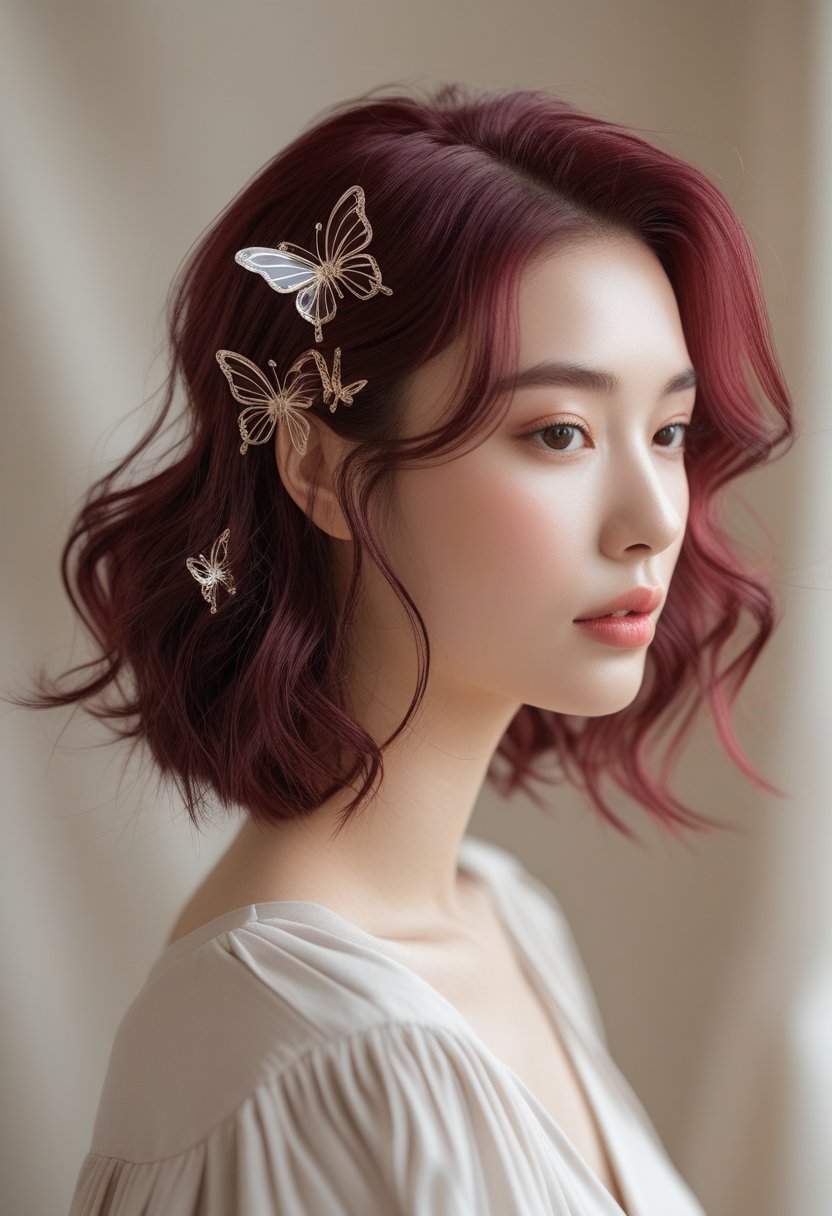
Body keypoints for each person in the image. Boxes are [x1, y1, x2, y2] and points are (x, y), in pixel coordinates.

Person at [15, 81, 794, 1214]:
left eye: (667, 430)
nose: (655, 517)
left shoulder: (502, 915)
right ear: (322, 469)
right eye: (559, 432)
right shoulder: (305, 1052)